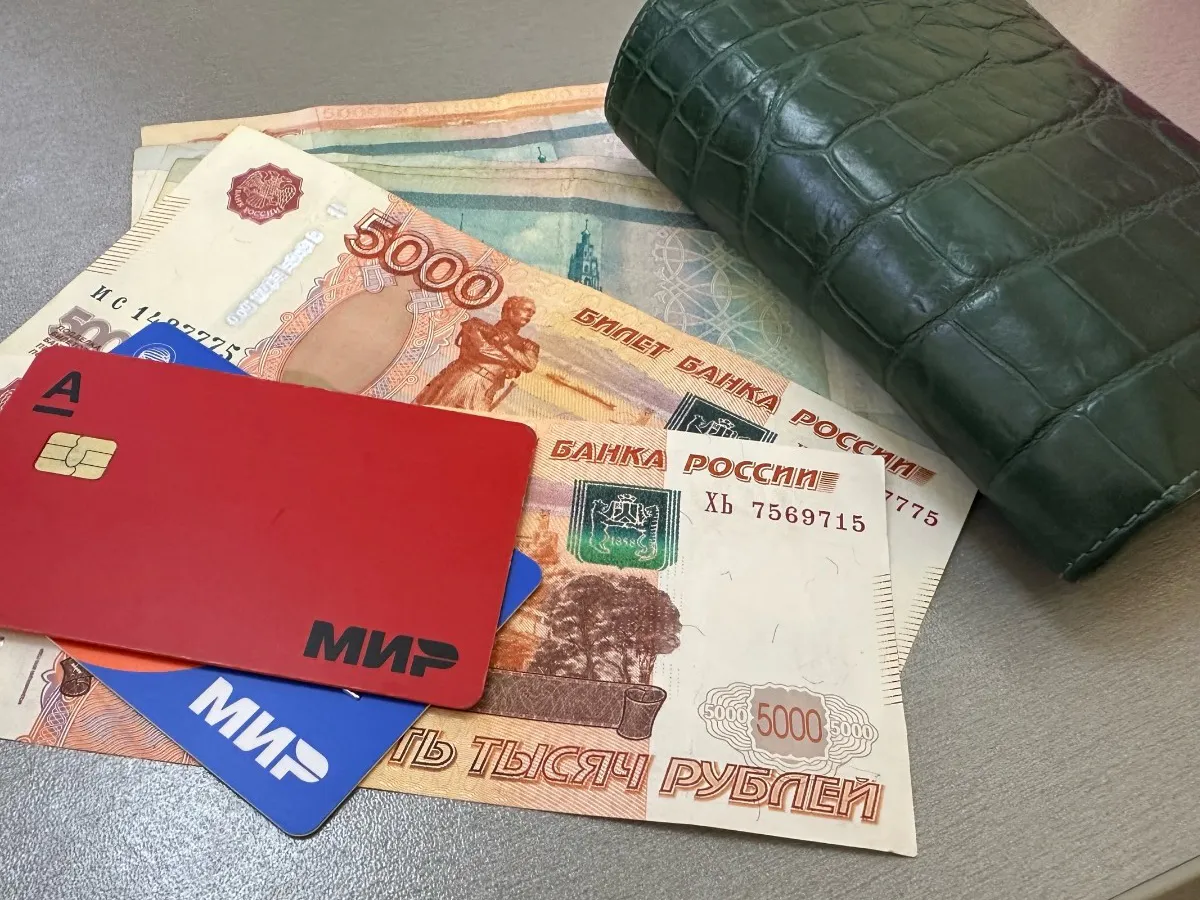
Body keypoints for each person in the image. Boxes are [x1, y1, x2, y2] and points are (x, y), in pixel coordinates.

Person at [414, 295, 539, 411]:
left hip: (488, 388)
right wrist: (512, 363)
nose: (530, 315)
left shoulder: (527, 345)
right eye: (526, 310)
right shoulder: (476, 325)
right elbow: (481, 350)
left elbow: (529, 365)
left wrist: (505, 346)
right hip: (465, 378)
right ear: (510, 310)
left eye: (532, 313)